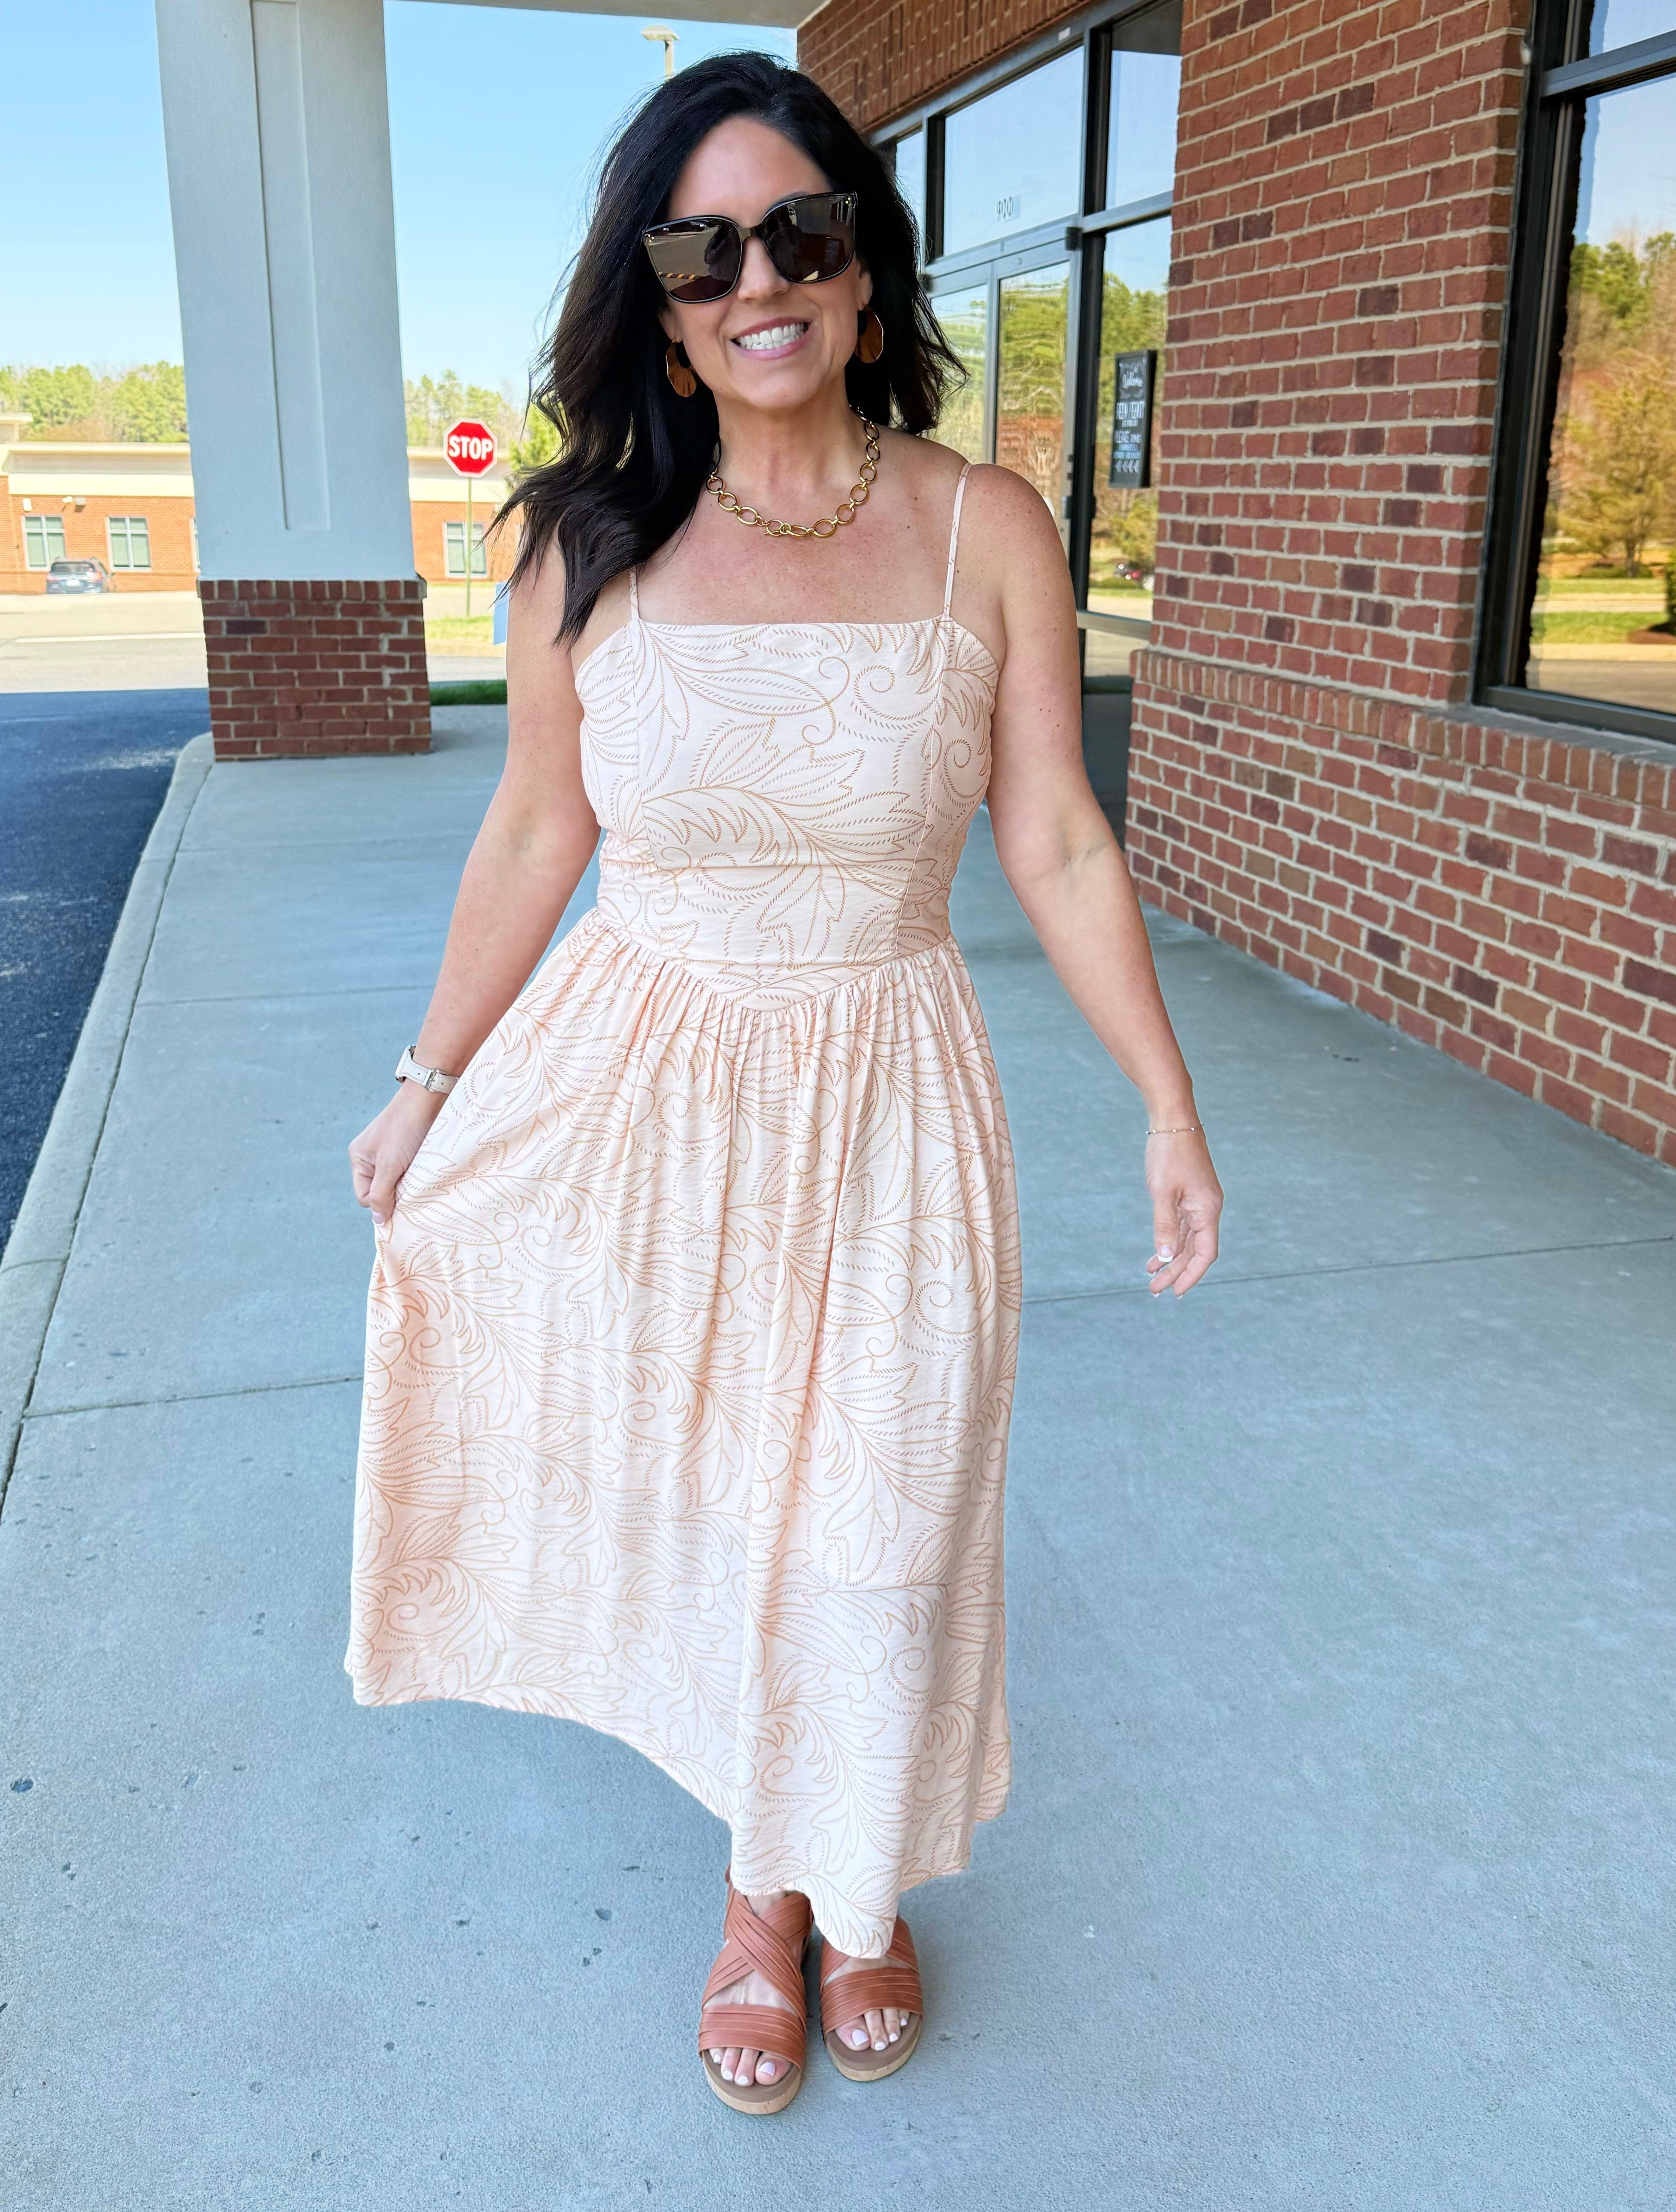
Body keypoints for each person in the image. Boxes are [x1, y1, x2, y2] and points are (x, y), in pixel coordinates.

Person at [346, 52, 1221, 2116]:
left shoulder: (980, 527)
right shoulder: (581, 550)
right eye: (707, 243)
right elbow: (533, 842)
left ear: (862, 265)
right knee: (732, 1523)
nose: (762, 275)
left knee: (879, 1532)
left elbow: (1062, 842)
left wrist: (1168, 1102)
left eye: (802, 230)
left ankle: (861, 1865)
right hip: (645, 1090)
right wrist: (425, 1082)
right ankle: (775, 1890)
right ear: (658, 298)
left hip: (890, 1094)